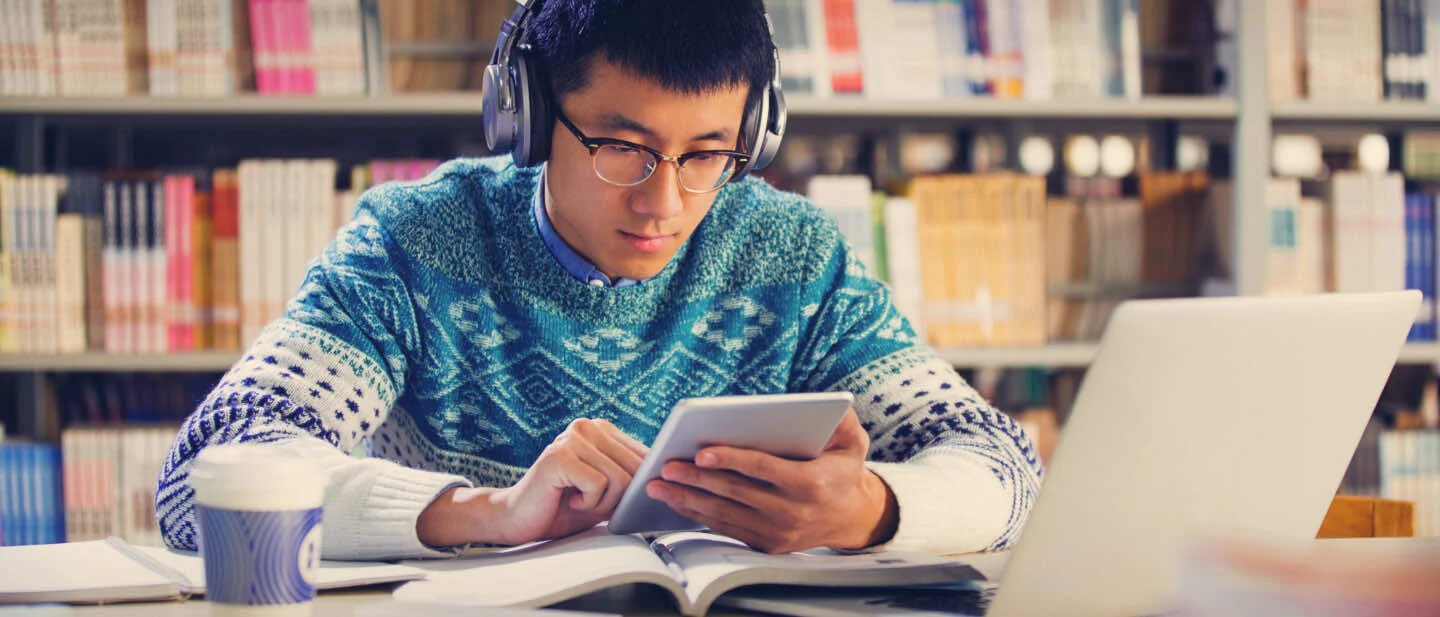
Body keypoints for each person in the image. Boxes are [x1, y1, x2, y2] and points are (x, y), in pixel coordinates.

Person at [155, 0, 1042, 561]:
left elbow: (1004, 463)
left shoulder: (790, 253)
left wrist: (873, 507)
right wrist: (483, 512)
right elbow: (207, 475)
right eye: (622, 146)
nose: (665, 199)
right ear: (531, 115)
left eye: (707, 154)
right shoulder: (415, 242)